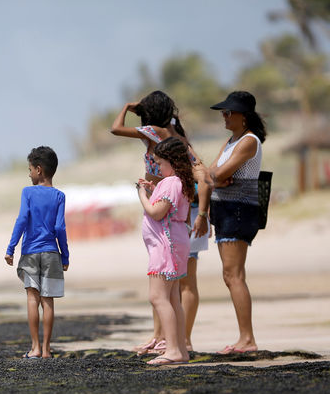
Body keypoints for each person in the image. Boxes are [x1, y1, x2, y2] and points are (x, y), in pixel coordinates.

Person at [110, 91, 212, 354]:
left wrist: (126, 106)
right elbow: (201, 173)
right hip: (175, 208)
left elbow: (116, 129)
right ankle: (164, 337)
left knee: (176, 282)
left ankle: (179, 341)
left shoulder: (155, 132)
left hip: (172, 210)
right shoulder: (177, 134)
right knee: (170, 281)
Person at [207, 91, 266, 354]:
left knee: (234, 275)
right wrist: (217, 179)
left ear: (244, 116)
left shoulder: (248, 141)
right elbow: (209, 174)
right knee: (230, 275)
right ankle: (245, 337)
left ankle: (247, 339)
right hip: (224, 208)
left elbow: (216, 173)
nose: (224, 116)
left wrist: (216, 178)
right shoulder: (231, 140)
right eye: (223, 112)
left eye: (229, 112)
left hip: (238, 209)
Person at [4, 146, 69, 359]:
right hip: (52, 253)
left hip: (31, 251)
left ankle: (35, 348)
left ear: (39, 170)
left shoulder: (28, 192)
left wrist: (11, 248)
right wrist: (65, 256)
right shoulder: (59, 196)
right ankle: (47, 350)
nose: (29, 173)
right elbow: (60, 227)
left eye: (30, 169)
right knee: (48, 301)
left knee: (33, 298)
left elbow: (22, 220)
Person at [136, 137, 195, 366]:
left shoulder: (171, 182)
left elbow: (157, 212)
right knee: (172, 297)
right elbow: (168, 204)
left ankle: (172, 349)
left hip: (166, 244)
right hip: (175, 242)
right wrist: (154, 188)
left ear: (172, 161)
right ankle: (179, 348)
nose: (158, 168)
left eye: (160, 163)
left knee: (157, 296)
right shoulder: (178, 181)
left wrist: (141, 194)